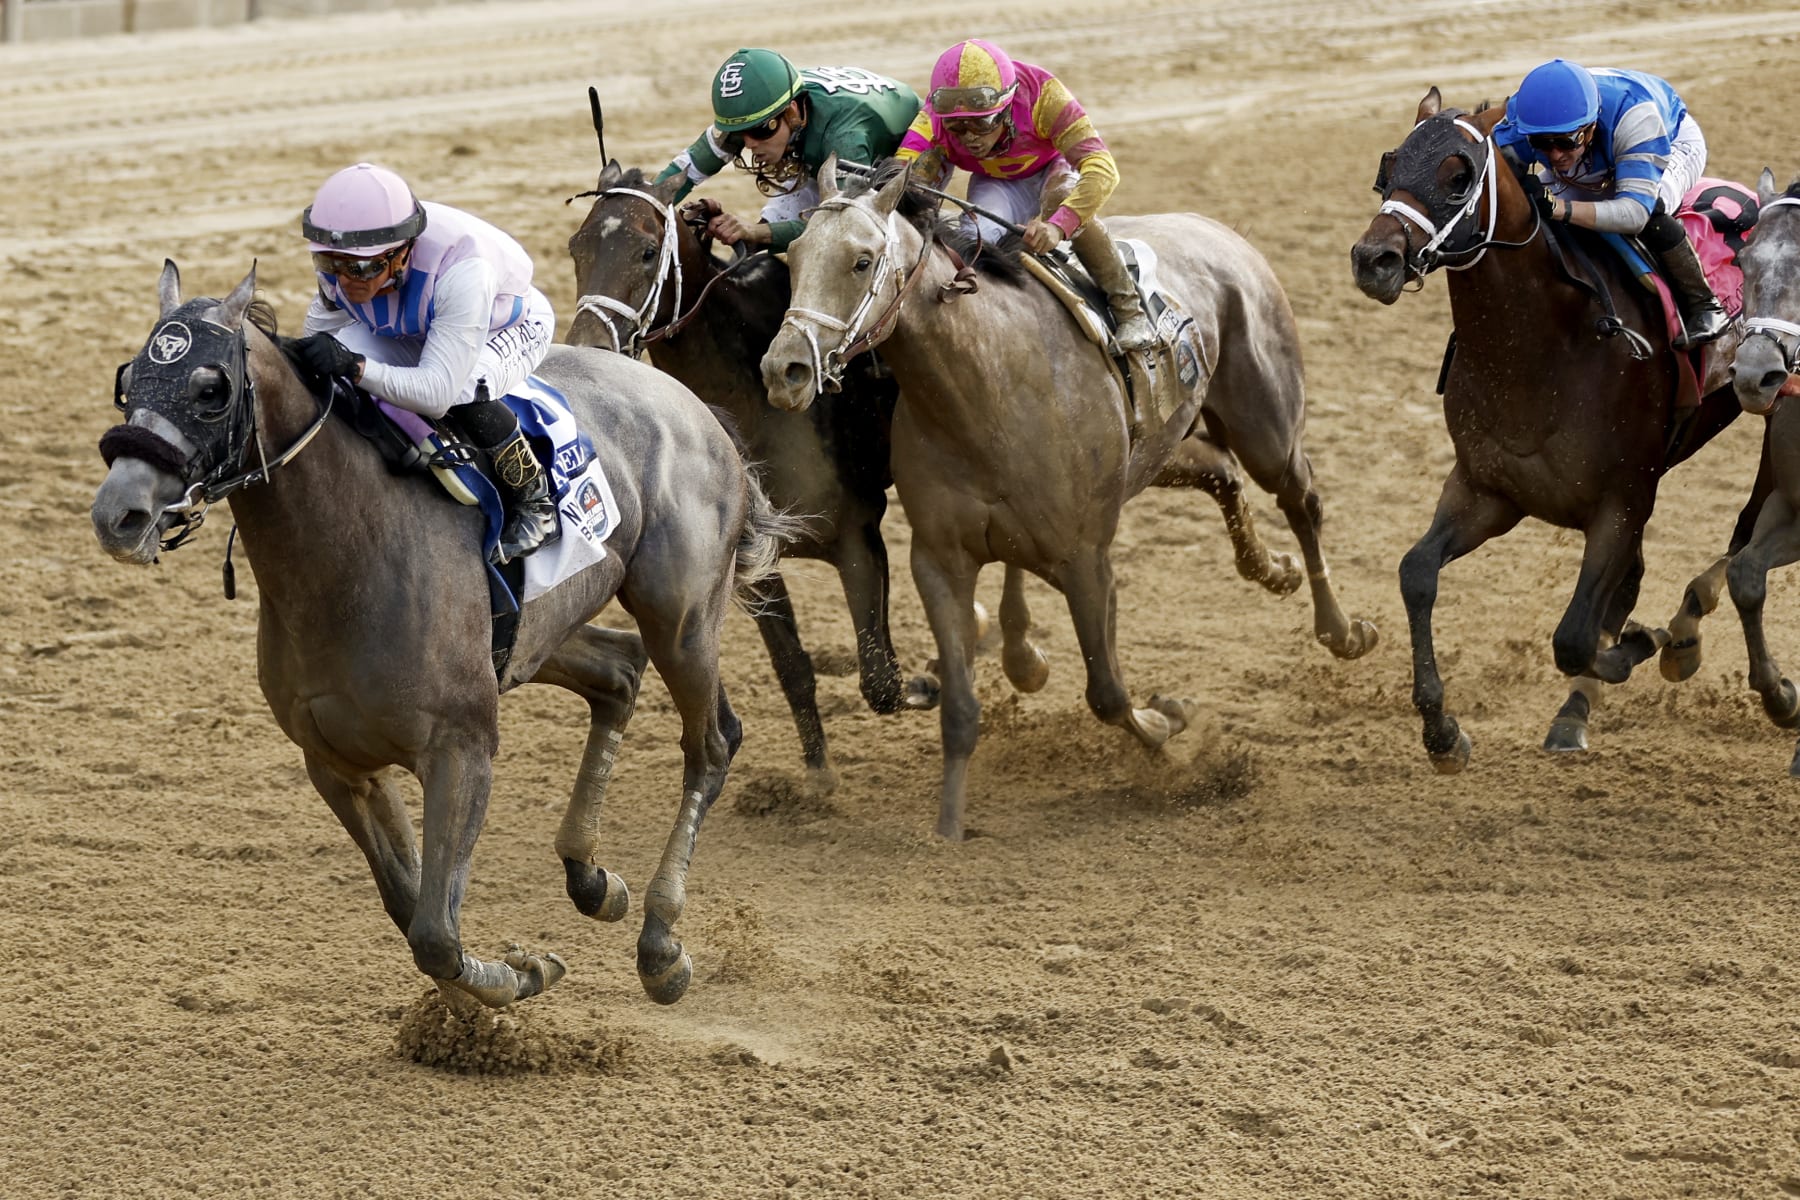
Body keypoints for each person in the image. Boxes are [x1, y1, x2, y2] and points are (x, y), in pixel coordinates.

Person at [290, 162, 559, 564]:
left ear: (402, 253)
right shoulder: (344, 260)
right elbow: (315, 344)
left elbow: (435, 394)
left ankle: (535, 501)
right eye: (332, 264)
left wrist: (355, 366)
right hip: (414, 322)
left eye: (363, 267)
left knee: (462, 393)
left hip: (501, 326)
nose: (346, 281)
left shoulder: (465, 270)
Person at [895, 38, 1156, 352]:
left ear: (1007, 106)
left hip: (1052, 169)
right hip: (996, 182)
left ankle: (1129, 309)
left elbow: (1102, 168)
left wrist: (1059, 226)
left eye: (981, 124)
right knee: (972, 235)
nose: (969, 139)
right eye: (957, 128)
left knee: (1062, 197)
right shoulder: (932, 121)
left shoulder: (1044, 96)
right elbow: (901, 182)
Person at [1495, 58, 1730, 349]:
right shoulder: (1523, 119)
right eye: (1542, 143)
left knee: (1654, 207)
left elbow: (1635, 213)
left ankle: (1705, 305)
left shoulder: (1636, 117)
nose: (1555, 155)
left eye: (1565, 141)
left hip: (1671, 141)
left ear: (1590, 127)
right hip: (1597, 149)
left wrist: (1559, 208)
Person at [655, 48, 920, 252]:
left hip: (910, 147)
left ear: (792, 113)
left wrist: (752, 232)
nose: (749, 144)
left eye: (761, 131)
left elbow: (840, 224)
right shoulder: (760, 110)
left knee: (847, 249)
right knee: (763, 244)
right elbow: (686, 170)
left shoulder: (845, 137)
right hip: (821, 146)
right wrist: (642, 203)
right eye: (740, 134)